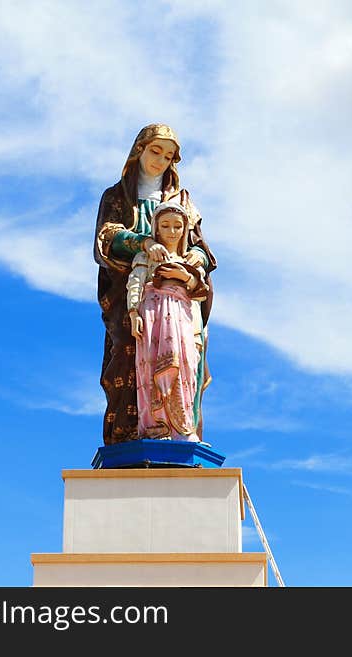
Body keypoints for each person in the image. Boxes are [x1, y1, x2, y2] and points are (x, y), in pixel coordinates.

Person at [94, 124, 216, 445]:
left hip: (179, 299)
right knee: (129, 355)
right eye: (155, 151)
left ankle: (180, 428)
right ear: (140, 150)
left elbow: (201, 247)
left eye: (168, 155)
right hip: (133, 297)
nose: (160, 161)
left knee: (184, 357)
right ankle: (133, 435)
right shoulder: (118, 196)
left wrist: (195, 262)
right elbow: (106, 237)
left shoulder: (183, 201)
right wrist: (143, 244)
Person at [127, 202, 208, 442]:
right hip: (154, 313)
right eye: (165, 226)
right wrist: (134, 313)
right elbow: (135, 283)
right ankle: (156, 427)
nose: (172, 231)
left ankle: (182, 427)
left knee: (185, 365)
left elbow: (200, 291)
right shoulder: (146, 256)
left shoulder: (190, 260)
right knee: (152, 365)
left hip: (182, 316)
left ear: (184, 230)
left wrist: (185, 277)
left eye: (177, 226)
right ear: (156, 229)